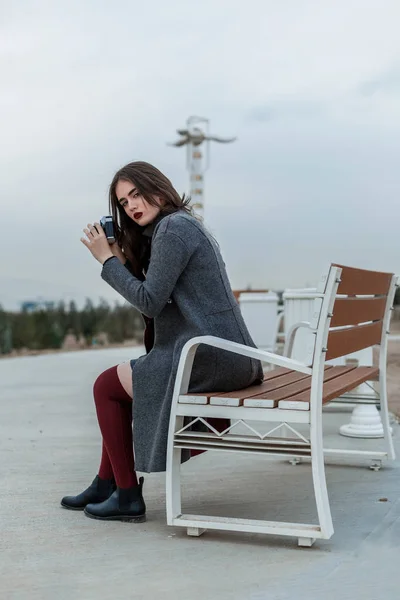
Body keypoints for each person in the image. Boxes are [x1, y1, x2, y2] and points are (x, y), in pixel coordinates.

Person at [61, 161, 264, 523]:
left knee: (106, 386)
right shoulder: (177, 226)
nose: (132, 206)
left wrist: (108, 261)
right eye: (123, 203)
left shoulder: (173, 228)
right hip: (226, 353)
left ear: (157, 189)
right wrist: (125, 263)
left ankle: (126, 495)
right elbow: (156, 302)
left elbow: (150, 301)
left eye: (136, 194)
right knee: (122, 386)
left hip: (209, 354)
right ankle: (106, 481)